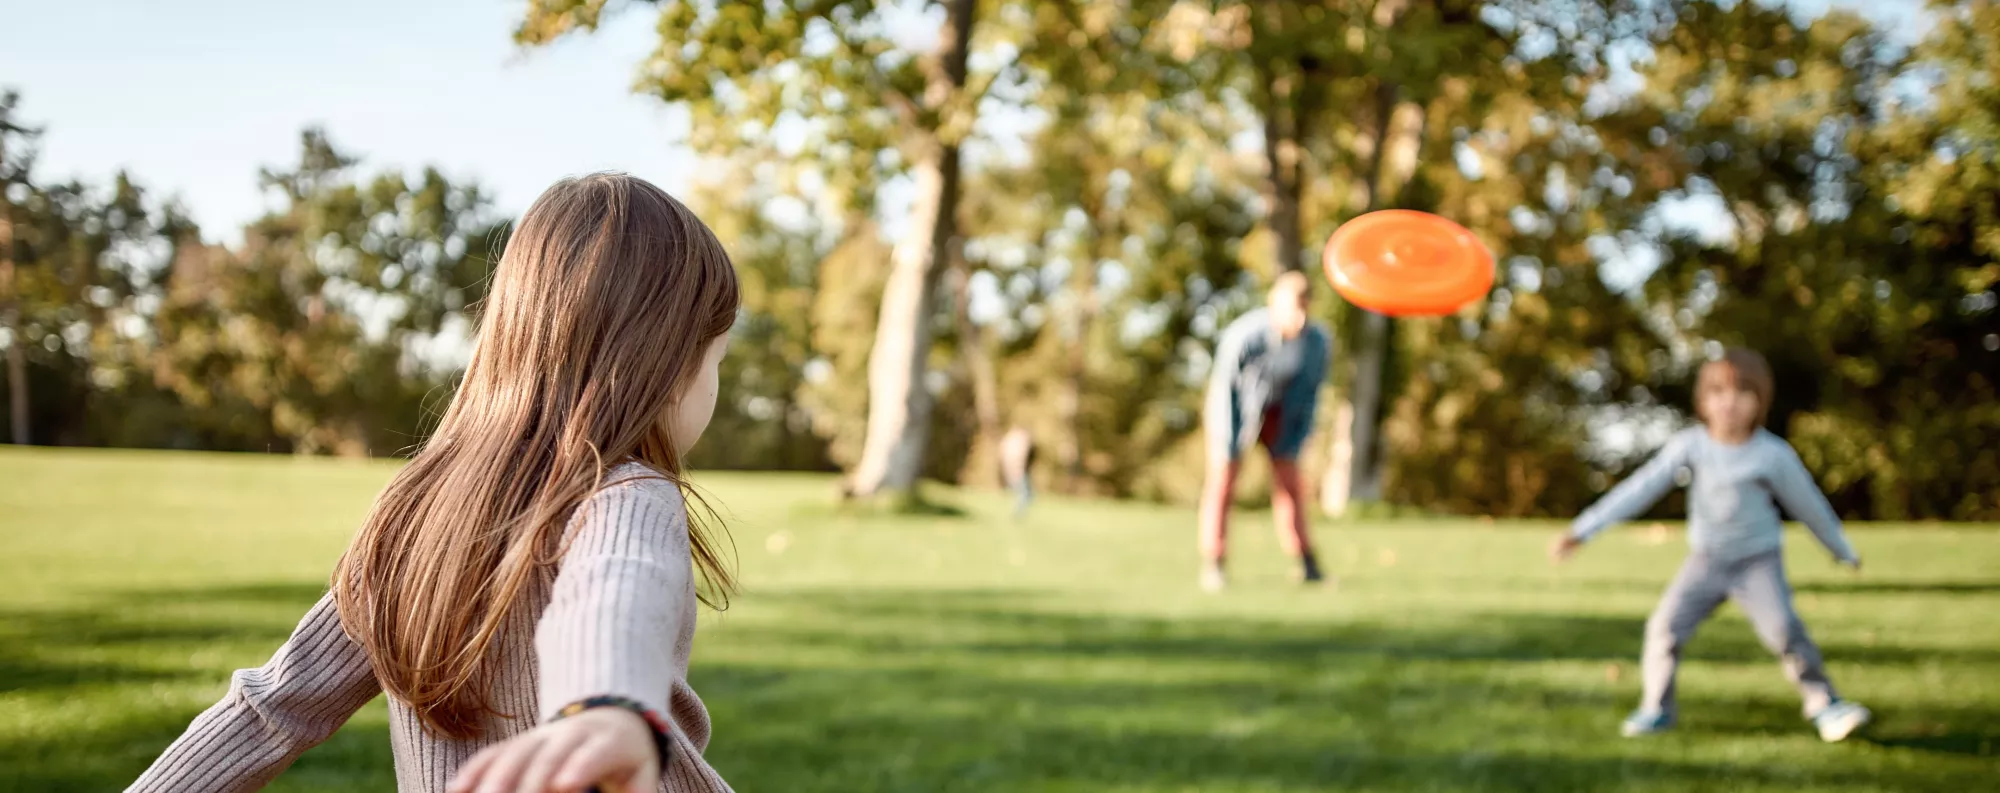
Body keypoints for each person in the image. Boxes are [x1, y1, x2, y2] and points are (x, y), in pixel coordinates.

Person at [127, 174, 743, 792]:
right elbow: (617, 587)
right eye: (718, 360)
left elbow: (272, 708)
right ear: (666, 363)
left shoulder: (417, 518)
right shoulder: (630, 495)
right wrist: (607, 704)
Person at [1551, 347, 1871, 742]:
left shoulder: (1772, 455)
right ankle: (1656, 709)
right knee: (1664, 628)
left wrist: (1841, 549)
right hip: (1706, 562)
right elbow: (1640, 489)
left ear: (1760, 402)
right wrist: (1582, 530)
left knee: (1785, 631)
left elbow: (1810, 506)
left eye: (1741, 394)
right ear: (1703, 401)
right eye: (1718, 393)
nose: (1729, 403)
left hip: (1757, 563)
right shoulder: (1692, 447)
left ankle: (1825, 704)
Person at [1198, 270, 1332, 591]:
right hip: (1236, 412)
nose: (1298, 318)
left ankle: (1307, 563)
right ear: (1274, 304)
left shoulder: (1316, 342)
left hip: (1281, 415)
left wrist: (1299, 437)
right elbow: (1225, 391)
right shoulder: (1244, 335)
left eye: (1304, 309)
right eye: (1291, 309)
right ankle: (1214, 563)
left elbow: (1311, 393)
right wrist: (1230, 443)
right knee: (1223, 483)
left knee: (1290, 486)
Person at [998, 425, 1036, 520]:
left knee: (1024, 493)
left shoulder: (1008, 440)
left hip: (1012, 469)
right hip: (1018, 470)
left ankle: (1018, 511)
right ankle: (1018, 513)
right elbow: (1021, 457)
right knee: (1024, 493)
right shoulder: (1019, 442)